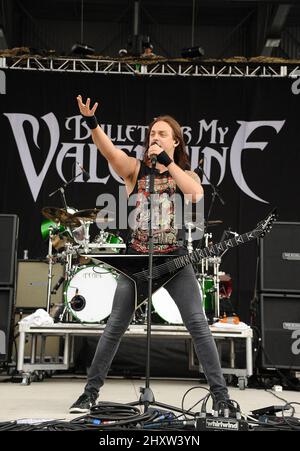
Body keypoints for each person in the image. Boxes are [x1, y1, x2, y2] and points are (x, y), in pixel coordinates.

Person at [69, 95, 231, 414]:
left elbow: (195, 194)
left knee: (198, 323)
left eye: (161, 134)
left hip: (174, 260)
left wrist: (168, 163)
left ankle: (221, 396)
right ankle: (89, 394)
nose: (154, 138)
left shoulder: (184, 174)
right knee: (115, 324)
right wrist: (92, 123)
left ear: (175, 141)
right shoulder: (135, 171)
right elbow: (110, 152)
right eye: (151, 134)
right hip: (138, 261)